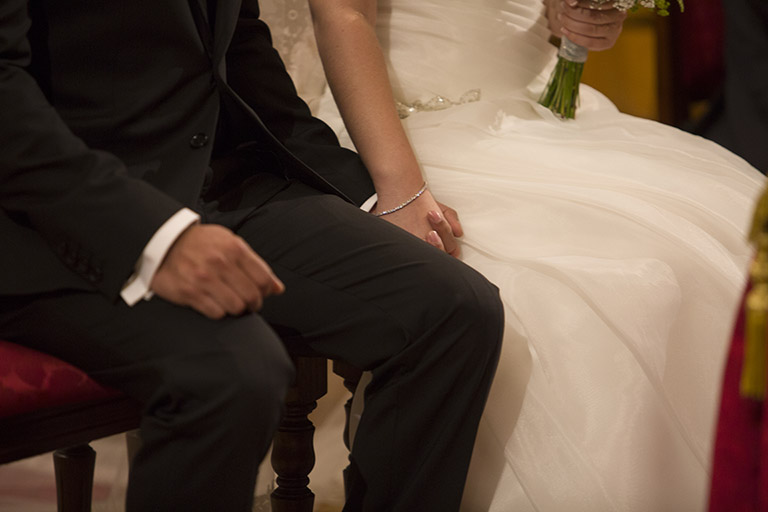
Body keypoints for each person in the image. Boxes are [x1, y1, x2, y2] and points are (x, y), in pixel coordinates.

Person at [259, 0, 766, 509]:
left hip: (539, 115)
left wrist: (572, 15)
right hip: (402, 131)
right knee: (604, 290)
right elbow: (344, 15)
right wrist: (401, 189)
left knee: (729, 233)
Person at [0, 1, 505, 511]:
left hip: (221, 183)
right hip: (60, 213)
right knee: (234, 372)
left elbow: (238, 44)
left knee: (454, 308)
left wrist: (371, 199)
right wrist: (153, 236)